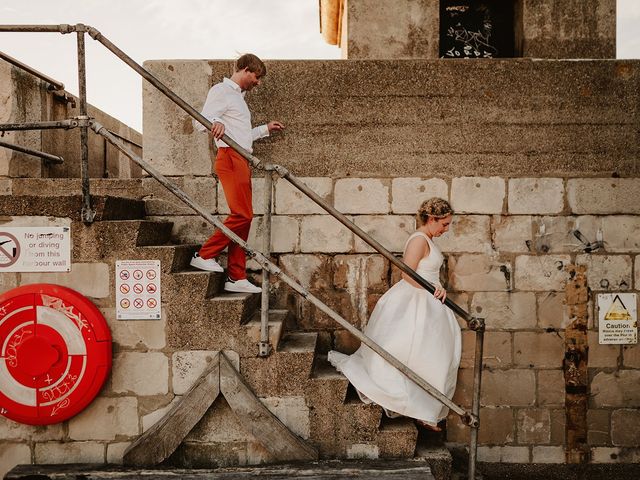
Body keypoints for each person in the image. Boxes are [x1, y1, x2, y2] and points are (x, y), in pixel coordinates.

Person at [328, 197, 461, 430]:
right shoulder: (419, 240)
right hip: (416, 300)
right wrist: (432, 289)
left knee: (431, 357)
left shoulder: (427, 239)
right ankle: (419, 407)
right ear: (431, 219)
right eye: (444, 224)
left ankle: (425, 408)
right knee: (415, 353)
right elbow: (407, 276)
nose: (446, 229)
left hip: (428, 301)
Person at [190, 53, 284, 294]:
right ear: (244, 69)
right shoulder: (222, 90)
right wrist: (214, 123)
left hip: (240, 157)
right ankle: (204, 254)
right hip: (230, 158)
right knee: (242, 215)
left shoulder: (238, 98)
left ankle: (236, 275)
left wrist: (264, 129)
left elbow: (241, 136)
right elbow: (200, 122)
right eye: (256, 76)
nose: (258, 82)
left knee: (245, 217)